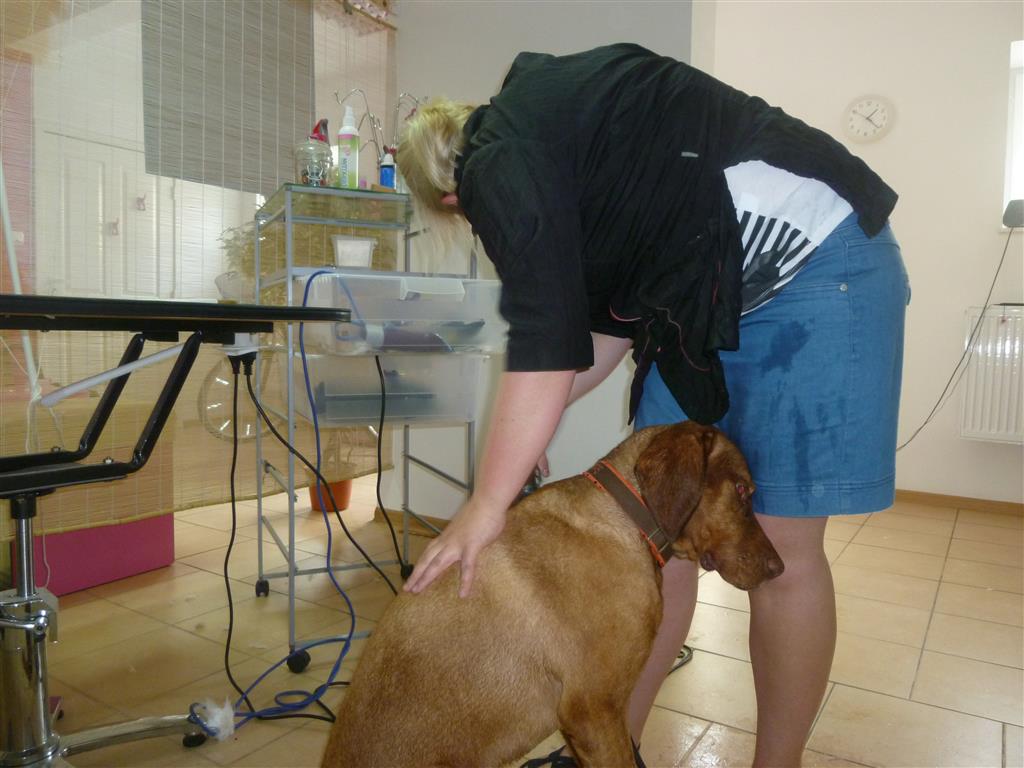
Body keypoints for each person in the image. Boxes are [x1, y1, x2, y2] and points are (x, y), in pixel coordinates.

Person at [397, 43, 909, 768]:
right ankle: (612, 750)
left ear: (454, 200)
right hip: (702, 294)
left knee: (781, 551)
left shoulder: (501, 161)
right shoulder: (559, 150)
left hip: (814, 267)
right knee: (655, 536)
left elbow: (545, 339)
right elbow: (602, 332)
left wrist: (487, 502)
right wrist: (534, 428)